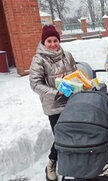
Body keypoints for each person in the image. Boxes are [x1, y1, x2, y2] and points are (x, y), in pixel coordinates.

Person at [29, 25, 77, 181]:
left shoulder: (67, 55)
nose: (53, 44)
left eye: (55, 40)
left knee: (75, 133)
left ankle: (74, 162)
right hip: (55, 105)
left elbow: (76, 74)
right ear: (44, 42)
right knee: (61, 137)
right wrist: (57, 92)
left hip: (72, 102)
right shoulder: (39, 59)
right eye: (49, 41)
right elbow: (35, 84)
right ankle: (51, 163)